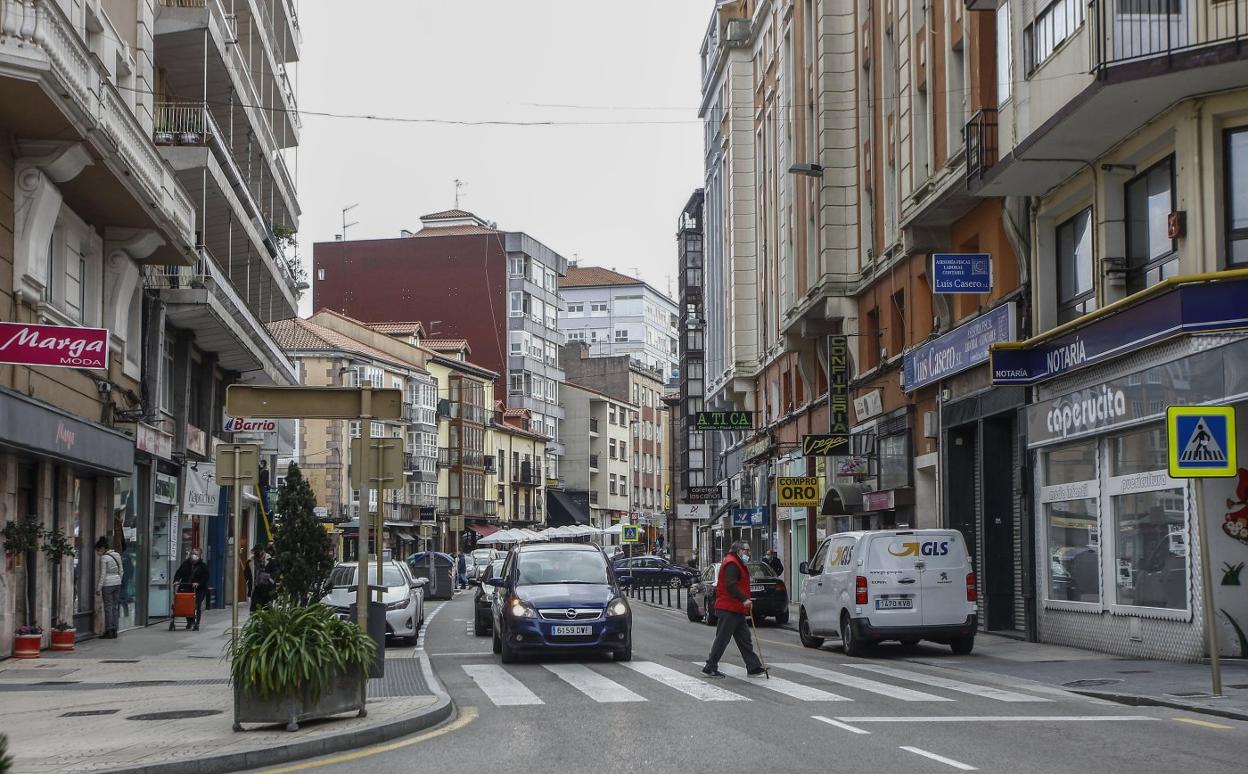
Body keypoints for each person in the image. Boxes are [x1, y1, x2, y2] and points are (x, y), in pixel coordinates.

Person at [701, 541, 765, 678]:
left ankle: (753, 666)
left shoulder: (736, 562)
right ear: (739, 551)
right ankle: (710, 666)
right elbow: (731, 585)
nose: (748, 553)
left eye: (749, 551)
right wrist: (744, 599)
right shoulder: (732, 563)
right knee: (723, 638)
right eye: (746, 550)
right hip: (728, 607)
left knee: (744, 638)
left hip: (736, 608)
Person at [172, 549, 210, 630]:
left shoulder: (203, 566)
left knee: (196, 604)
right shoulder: (185, 564)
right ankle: (190, 621)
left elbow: (205, 577)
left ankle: (196, 622)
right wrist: (176, 580)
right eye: (193, 553)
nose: (194, 555)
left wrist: (198, 583)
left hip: (199, 589)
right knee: (186, 604)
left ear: (199, 556)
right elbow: (179, 573)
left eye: (196, 554)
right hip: (186, 587)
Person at [95, 537, 123, 639]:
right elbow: (121, 570)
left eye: (98, 550)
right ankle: (115, 629)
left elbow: (102, 574)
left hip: (107, 585)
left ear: (102, 548)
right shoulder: (117, 555)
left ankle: (109, 630)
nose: (98, 553)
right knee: (115, 607)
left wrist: (98, 588)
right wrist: (119, 580)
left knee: (108, 608)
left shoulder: (104, 558)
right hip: (117, 583)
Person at [244, 545, 276, 610]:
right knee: (254, 609)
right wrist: (248, 581)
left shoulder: (270, 560)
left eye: (259, 552)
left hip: (267, 589)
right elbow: (246, 573)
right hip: (256, 588)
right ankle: (255, 619)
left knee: (268, 609)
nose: (257, 553)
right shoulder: (250, 561)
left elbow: (275, 572)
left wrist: (269, 578)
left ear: (263, 551)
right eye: (256, 552)